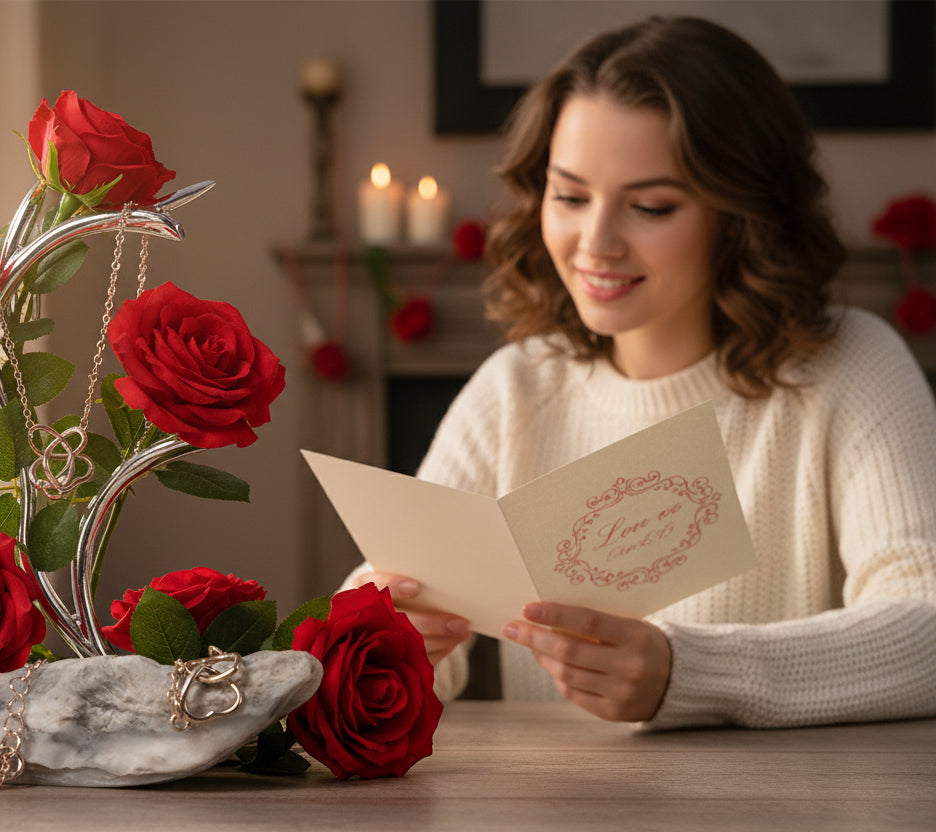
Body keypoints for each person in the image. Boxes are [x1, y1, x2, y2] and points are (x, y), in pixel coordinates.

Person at [344, 16, 936, 729]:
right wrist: (386, 633)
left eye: (651, 206)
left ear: (741, 214)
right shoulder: (515, 389)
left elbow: (926, 628)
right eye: (568, 197)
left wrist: (690, 673)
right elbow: (403, 637)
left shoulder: (851, 368)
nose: (595, 244)